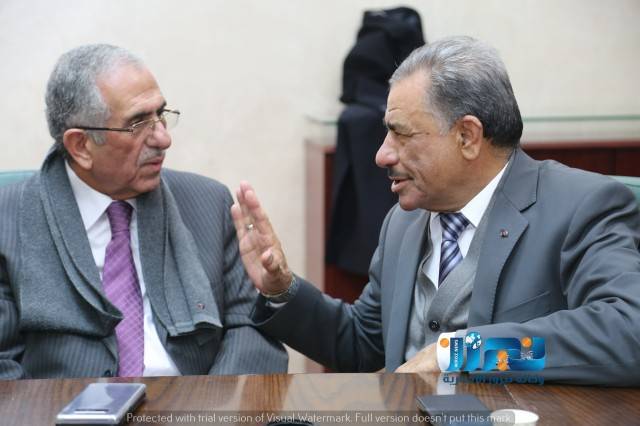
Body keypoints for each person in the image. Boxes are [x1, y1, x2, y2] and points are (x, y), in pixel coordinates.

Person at [232, 36, 640, 385]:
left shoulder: (582, 206)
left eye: (401, 134)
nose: (381, 155)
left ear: (467, 136)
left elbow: (628, 333)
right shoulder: (403, 222)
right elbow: (361, 344)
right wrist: (282, 289)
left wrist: (461, 352)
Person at [0, 44, 287, 379]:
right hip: (63, 403)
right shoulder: (8, 221)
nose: (163, 139)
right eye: (138, 123)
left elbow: (251, 330)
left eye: (160, 115)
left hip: (196, 399)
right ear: (81, 146)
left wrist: (211, 404)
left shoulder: (209, 203)